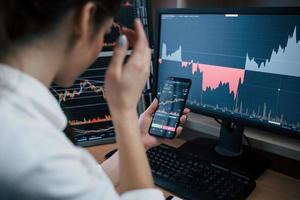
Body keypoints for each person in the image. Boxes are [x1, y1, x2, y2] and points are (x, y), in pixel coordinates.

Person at [0, 0, 191, 199]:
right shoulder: (34, 151)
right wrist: (124, 111)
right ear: (85, 18)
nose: (102, 44)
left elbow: (76, 184)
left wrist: (137, 139)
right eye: (106, 32)